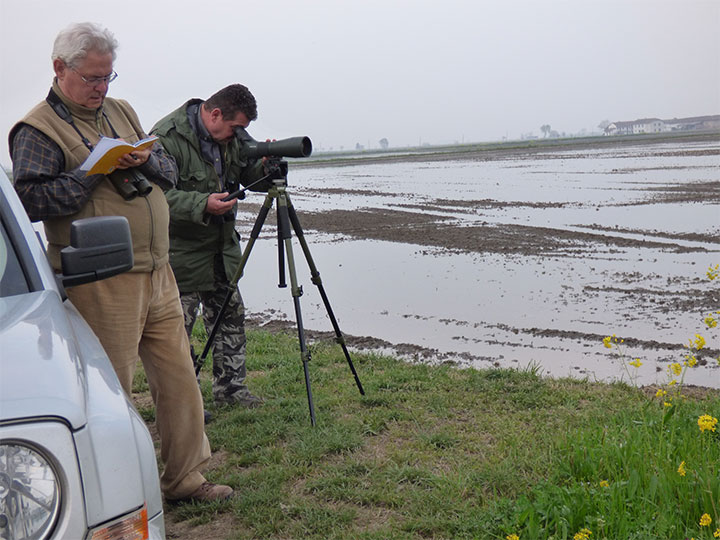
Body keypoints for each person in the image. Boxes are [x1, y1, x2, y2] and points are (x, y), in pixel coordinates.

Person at [9, 22, 232, 503]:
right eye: (91, 78)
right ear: (59, 69)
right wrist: (94, 170)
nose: (101, 89)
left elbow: (168, 169)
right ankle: (115, 493)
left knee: (179, 380)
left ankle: (186, 479)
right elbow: (30, 202)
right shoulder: (35, 129)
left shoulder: (121, 110)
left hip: (157, 268)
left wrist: (142, 160)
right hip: (100, 278)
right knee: (113, 394)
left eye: (108, 77)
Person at [151, 84, 269, 409]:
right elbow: (154, 196)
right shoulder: (166, 138)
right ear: (214, 114)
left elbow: (247, 173)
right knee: (176, 334)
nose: (237, 136)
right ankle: (183, 406)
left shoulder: (229, 139)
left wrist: (265, 164)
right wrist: (202, 203)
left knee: (230, 318)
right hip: (181, 254)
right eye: (235, 129)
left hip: (220, 250)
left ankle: (231, 392)